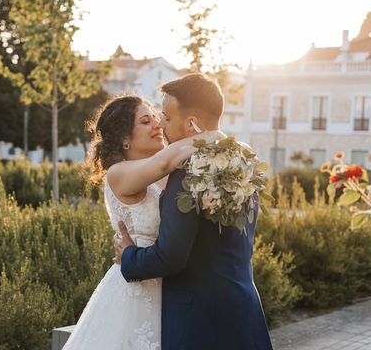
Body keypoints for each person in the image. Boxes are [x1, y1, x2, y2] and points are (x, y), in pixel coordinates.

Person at [114, 73, 273, 350]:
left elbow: (170, 257)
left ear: (191, 123)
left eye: (166, 116)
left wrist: (129, 255)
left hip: (197, 323)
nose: (161, 124)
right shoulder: (244, 163)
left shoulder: (190, 170)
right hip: (243, 310)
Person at [62, 94, 198, 350]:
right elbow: (167, 160)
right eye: (146, 121)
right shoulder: (119, 173)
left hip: (170, 285)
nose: (158, 125)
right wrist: (215, 138)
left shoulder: (164, 175)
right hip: (136, 290)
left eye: (157, 118)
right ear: (125, 138)